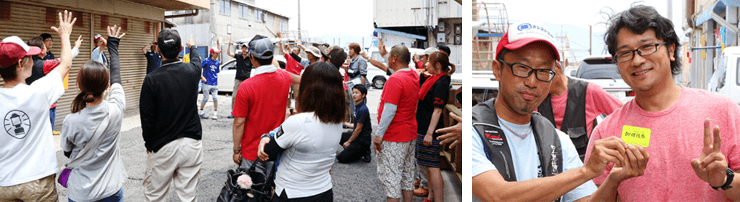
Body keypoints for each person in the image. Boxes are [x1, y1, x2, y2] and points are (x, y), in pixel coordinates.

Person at [471, 21, 645, 202]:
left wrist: (613, 180)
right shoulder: (473, 133)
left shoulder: (559, 141)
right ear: (497, 70)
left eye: (544, 71)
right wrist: (587, 171)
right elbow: (498, 196)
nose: (532, 82)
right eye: (522, 68)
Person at [584, 5, 740, 201]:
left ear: (671, 50)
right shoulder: (606, 133)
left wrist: (725, 179)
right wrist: (613, 181)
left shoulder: (723, 111)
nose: (637, 60)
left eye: (647, 46)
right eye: (625, 53)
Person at [0, 10, 75, 201]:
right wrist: (65, 35)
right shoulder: (38, 92)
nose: (34, 61)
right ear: (20, 63)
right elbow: (66, 64)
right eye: (30, 57)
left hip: (3, 183)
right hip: (38, 181)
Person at [256, 62, 346, 201]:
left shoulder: (298, 122)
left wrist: (265, 136)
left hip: (292, 192)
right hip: (324, 191)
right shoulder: (337, 121)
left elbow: (268, 153)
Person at [61, 25, 127, 202]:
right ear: (107, 87)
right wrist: (113, 45)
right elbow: (117, 76)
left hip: (81, 193)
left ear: (79, 86)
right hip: (111, 190)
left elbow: (67, 152)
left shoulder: (70, 121)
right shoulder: (116, 109)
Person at [139, 30, 204, 201]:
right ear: (181, 48)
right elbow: (197, 60)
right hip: (192, 143)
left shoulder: (152, 79)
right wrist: (193, 47)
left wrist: (149, 143)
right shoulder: (193, 71)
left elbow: (147, 118)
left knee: (155, 196)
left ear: (158, 50)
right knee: (188, 196)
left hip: (163, 145)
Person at [538, 56, 622, 161]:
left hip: (583, 167)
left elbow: (626, 115)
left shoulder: (588, 91)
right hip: (548, 168)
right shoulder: (536, 98)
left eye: (541, 72)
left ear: (557, 69)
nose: (535, 80)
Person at [231, 37, 292, 178]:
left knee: (251, 193)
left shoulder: (246, 86)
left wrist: (236, 150)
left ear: (252, 58)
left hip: (252, 151)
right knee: (274, 189)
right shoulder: (285, 77)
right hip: (277, 147)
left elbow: (239, 122)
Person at [373, 45, 420, 202]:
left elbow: (390, 110)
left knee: (392, 177)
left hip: (394, 135)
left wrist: (378, 135)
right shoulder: (413, 75)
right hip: (410, 131)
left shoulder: (395, 79)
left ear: (394, 59)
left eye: (389, 58)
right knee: (407, 175)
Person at [415, 51, 455, 202]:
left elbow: (437, 110)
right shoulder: (435, 79)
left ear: (437, 65)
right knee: (428, 166)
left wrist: (429, 133)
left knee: (433, 167)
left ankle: (438, 199)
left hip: (429, 130)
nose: (425, 65)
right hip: (423, 127)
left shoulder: (441, 82)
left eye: (428, 62)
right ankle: (431, 196)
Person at [25, 35, 82, 132]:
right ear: (40, 50)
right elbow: (65, 61)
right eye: (44, 45)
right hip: (46, 105)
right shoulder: (44, 65)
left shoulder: (24, 63)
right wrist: (75, 47)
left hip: (31, 104)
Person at [337, 84, 373, 163]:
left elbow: (358, 129)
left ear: (363, 95)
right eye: (353, 92)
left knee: (341, 158)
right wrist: (344, 123)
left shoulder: (363, 109)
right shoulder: (357, 107)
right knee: (339, 136)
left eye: (357, 93)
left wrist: (348, 142)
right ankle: (354, 151)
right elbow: (356, 125)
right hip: (357, 136)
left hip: (362, 140)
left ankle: (364, 151)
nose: (354, 95)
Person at [226, 38, 255, 119]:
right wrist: (229, 45)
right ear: (241, 48)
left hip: (246, 80)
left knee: (247, 97)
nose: (244, 49)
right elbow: (228, 53)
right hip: (238, 79)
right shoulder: (238, 56)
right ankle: (233, 113)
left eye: (245, 48)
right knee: (234, 96)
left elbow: (256, 64)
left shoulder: (250, 58)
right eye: (243, 48)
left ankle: (248, 113)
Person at [279, 38, 305, 109]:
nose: (293, 51)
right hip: (287, 80)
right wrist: (281, 44)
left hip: (296, 82)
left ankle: (297, 109)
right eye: (293, 50)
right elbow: (283, 51)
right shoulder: (289, 57)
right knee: (287, 96)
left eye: (295, 50)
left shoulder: (301, 62)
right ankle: (287, 109)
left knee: (297, 96)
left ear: (298, 52)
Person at [200, 41, 222, 120]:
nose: (218, 54)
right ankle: (201, 111)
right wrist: (201, 76)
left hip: (215, 83)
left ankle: (215, 113)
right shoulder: (206, 60)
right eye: (216, 53)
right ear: (212, 53)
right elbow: (199, 68)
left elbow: (217, 72)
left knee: (215, 98)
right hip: (206, 83)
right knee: (205, 98)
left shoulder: (218, 62)